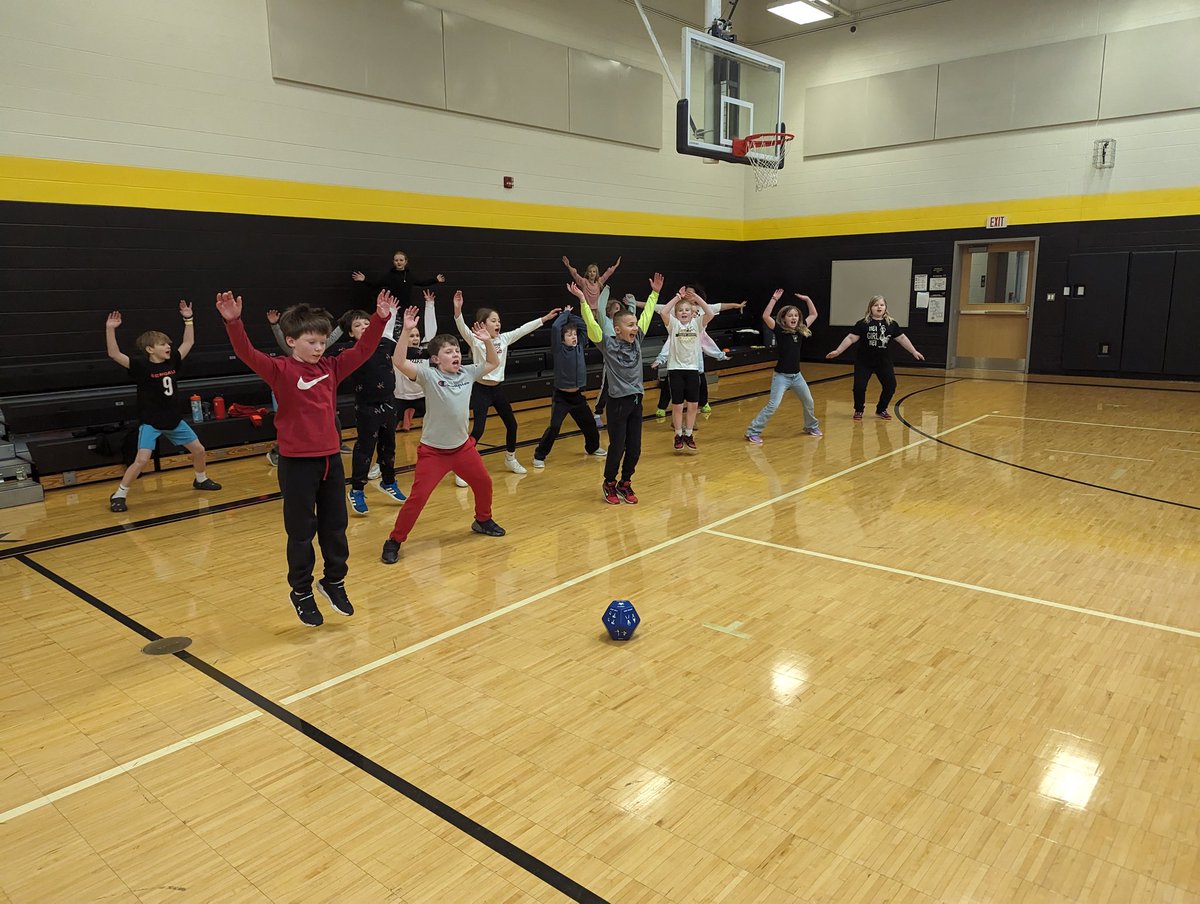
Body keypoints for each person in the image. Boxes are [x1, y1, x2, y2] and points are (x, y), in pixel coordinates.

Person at [217, 288, 396, 627]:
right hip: (297, 463)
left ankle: (334, 582)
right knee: (301, 532)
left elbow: (365, 348)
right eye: (311, 341)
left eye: (322, 341)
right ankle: (301, 591)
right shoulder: (279, 369)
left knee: (336, 528)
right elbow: (246, 352)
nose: (319, 348)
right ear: (290, 340)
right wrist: (234, 323)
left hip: (331, 459)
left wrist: (380, 319)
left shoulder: (332, 366)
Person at [382, 302, 505, 564]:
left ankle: (482, 520)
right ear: (436, 358)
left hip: (462, 449)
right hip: (433, 453)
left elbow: (493, 362)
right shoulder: (427, 375)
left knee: (484, 483)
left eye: (457, 350)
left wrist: (486, 342)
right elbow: (398, 360)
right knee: (418, 498)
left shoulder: (469, 373)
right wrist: (406, 331)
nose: (456, 355)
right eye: (449, 352)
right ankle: (394, 539)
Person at [104, 300, 222, 512]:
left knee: (199, 450)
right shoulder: (141, 366)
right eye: (163, 344)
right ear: (150, 349)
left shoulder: (172, 361)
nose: (168, 346)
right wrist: (110, 329)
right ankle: (119, 494)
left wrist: (188, 319)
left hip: (173, 420)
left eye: (168, 343)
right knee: (141, 460)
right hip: (151, 422)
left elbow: (188, 343)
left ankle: (201, 479)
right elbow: (114, 354)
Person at [573, 273, 664, 505]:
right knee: (618, 447)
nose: (635, 327)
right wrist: (584, 302)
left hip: (636, 402)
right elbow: (592, 326)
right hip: (617, 404)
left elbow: (647, 314)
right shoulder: (608, 344)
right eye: (630, 325)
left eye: (635, 324)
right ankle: (609, 482)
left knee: (635, 449)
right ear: (617, 328)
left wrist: (654, 293)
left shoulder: (638, 339)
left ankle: (626, 482)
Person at [453, 294, 561, 479]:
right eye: (493, 320)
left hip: (497, 390)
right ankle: (462, 468)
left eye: (499, 321)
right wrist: (457, 309)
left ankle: (510, 458)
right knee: (478, 430)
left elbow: (523, 329)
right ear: (483, 324)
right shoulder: (476, 340)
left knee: (512, 424)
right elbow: (461, 326)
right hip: (481, 390)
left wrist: (544, 319)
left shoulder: (504, 339)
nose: (498, 324)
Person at [343, 304, 406, 516]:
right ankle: (357, 489)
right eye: (358, 325)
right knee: (365, 448)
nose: (364, 327)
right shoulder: (351, 352)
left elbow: (410, 353)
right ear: (351, 333)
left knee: (389, 446)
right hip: (367, 407)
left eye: (367, 323)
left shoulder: (387, 343)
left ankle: (388, 481)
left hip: (389, 402)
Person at [826, 295, 925, 420]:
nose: (879, 307)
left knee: (890, 386)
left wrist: (913, 351)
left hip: (883, 362)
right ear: (870, 308)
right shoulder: (863, 323)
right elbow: (851, 338)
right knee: (859, 387)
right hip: (864, 361)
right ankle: (859, 410)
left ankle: (881, 409)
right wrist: (838, 350)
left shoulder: (891, 324)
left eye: (882, 305)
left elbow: (902, 338)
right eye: (876, 305)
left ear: (885, 308)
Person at [531, 305, 605, 468]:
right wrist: (565, 314)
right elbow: (557, 326)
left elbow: (583, 326)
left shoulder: (580, 346)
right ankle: (539, 455)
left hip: (577, 397)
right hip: (562, 397)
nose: (573, 337)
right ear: (562, 338)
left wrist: (572, 318)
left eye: (574, 334)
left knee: (590, 425)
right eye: (569, 335)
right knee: (555, 427)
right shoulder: (558, 349)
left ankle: (592, 448)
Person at [745, 290, 822, 444]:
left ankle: (810, 426)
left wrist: (807, 299)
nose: (793, 318)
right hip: (781, 376)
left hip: (797, 376)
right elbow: (766, 316)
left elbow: (813, 314)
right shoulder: (779, 330)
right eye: (790, 315)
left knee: (809, 401)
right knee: (773, 405)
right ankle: (752, 431)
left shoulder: (801, 330)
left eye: (796, 315)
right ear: (784, 319)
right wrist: (774, 299)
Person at [657, 287, 716, 452]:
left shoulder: (697, 325)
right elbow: (663, 311)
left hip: (692, 370)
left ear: (692, 313)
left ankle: (688, 435)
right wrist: (678, 298)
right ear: (676, 314)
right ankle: (677, 434)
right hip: (675, 370)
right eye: (681, 310)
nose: (684, 312)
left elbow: (709, 313)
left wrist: (696, 297)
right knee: (677, 406)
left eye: (687, 310)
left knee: (693, 405)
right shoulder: (673, 325)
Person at [393, 288, 438, 433]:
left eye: (417, 336)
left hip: (421, 396)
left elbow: (431, 331)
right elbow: (387, 335)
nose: (415, 339)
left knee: (435, 424)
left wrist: (430, 305)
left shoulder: (424, 350)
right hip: (400, 396)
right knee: (388, 430)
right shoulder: (397, 351)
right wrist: (393, 312)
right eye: (411, 336)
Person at [351, 250, 445, 310]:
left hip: (407, 306)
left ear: (405, 262)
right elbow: (376, 284)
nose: (399, 262)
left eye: (401, 260)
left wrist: (435, 280)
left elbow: (422, 283)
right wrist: (364, 280)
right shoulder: (389, 276)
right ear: (393, 262)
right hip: (393, 306)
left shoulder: (409, 275)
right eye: (396, 260)